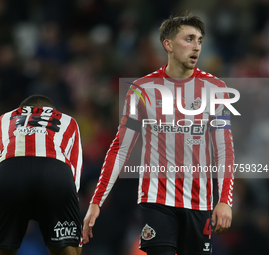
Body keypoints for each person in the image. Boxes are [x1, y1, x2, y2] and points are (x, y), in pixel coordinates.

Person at [83, 14, 235, 255]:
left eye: (200, 40)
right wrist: (96, 201)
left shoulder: (216, 89)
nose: (196, 46)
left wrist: (225, 200)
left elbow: (224, 149)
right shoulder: (142, 90)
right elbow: (121, 148)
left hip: (201, 202)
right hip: (156, 201)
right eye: (189, 39)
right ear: (168, 45)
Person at [0, 95, 83, 255]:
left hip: (10, 171)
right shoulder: (69, 121)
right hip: (55, 172)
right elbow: (74, 173)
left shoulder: (3, 119)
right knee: (69, 250)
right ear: (52, 111)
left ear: (21, 109)